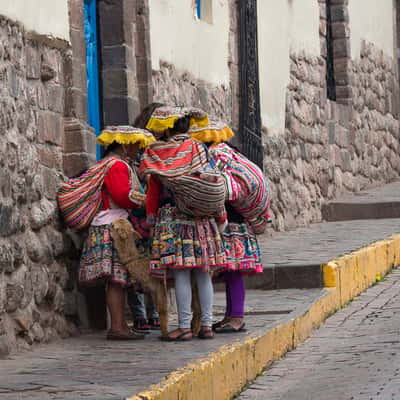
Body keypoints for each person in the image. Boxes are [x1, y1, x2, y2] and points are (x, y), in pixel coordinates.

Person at [139, 106, 227, 341]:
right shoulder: (197, 148)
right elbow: (211, 179)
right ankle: (207, 325)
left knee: (181, 274)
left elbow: (153, 192)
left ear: (165, 127)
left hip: (173, 218)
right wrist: (220, 215)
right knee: (203, 273)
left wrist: (150, 219)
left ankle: (185, 326)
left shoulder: (156, 152)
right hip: (201, 217)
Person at [189, 120, 271, 333]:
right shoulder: (231, 153)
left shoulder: (216, 157)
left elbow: (219, 187)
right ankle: (230, 316)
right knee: (231, 272)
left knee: (233, 271)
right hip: (239, 222)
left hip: (231, 224)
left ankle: (236, 317)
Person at [78, 125, 155, 340]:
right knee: (117, 280)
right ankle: (118, 327)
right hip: (113, 228)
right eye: (135, 145)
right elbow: (122, 196)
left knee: (117, 280)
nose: (138, 149)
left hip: (107, 224)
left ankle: (119, 325)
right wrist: (147, 199)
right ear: (123, 144)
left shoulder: (108, 164)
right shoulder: (117, 166)